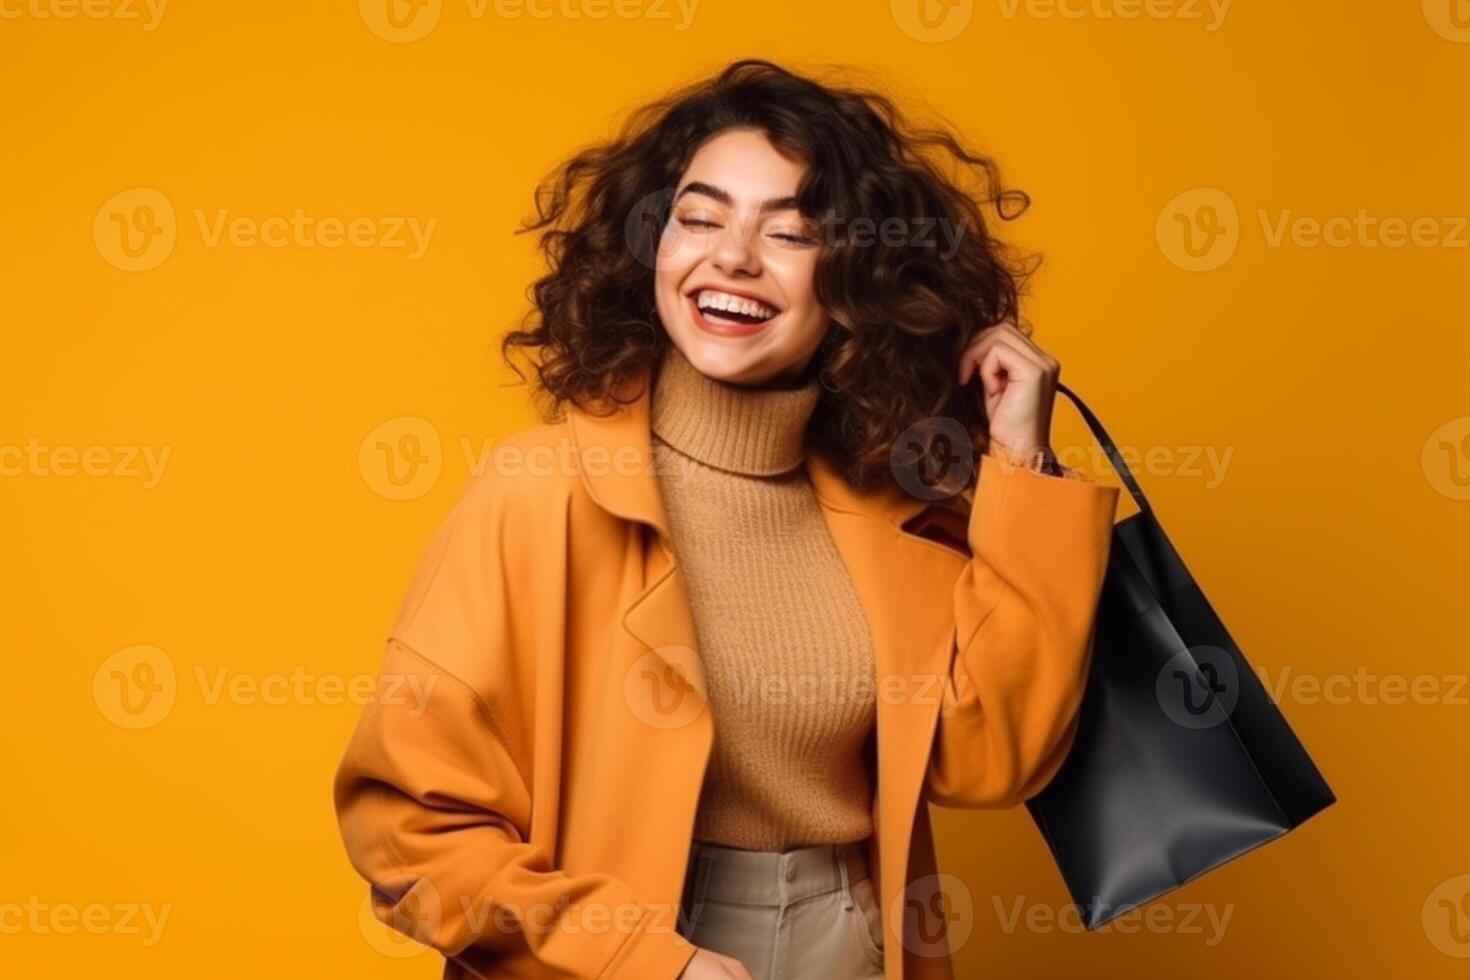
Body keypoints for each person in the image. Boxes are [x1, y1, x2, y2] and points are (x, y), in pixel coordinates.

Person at [333, 59, 1119, 980]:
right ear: (650, 247)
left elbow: (994, 760)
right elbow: (405, 832)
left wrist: (1020, 461)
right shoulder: (537, 493)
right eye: (699, 218)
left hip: (848, 938)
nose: (732, 258)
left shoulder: (888, 505)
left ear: (856, 277)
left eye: (790, 233)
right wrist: (640, 958)